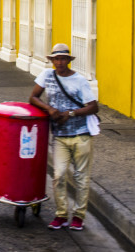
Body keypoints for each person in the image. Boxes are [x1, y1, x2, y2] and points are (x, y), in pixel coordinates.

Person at [28, 43, 99, 231]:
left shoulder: (80, 80)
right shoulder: (46, 76)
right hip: (59, 135)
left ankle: (78, 216)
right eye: (56, 59)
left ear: (68, 60)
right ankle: (61, 214)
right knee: (58, 175)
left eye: (63, 59)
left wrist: (71, 113)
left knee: (81, 178)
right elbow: (33, 97)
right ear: (52, 61)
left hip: (81, 135)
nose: (59, 62)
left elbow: (93, 106)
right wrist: (50, 109)